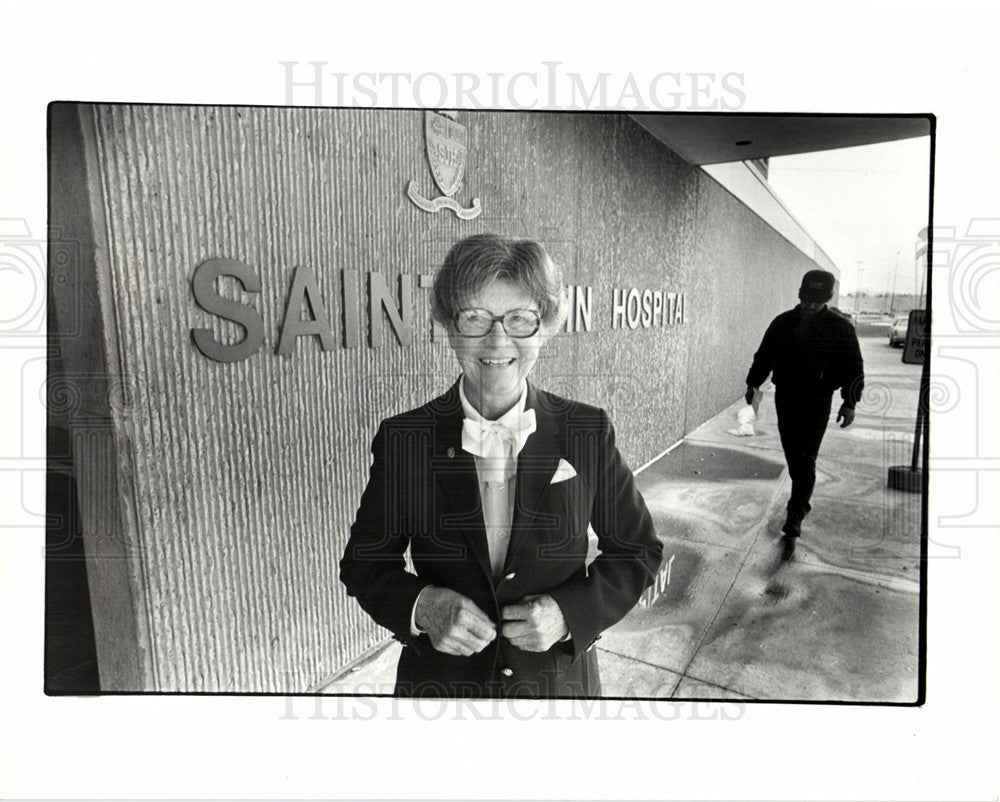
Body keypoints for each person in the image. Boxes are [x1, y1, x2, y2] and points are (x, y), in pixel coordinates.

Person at [340, 234, 663, 698]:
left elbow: (638, 550)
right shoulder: (403, 439)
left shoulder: (587, 431)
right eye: (475, 317)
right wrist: (422, 606)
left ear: (546, 326)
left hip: (555, 691)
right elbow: (364, 563)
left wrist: (569, 615)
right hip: (441, 692)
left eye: (520, 318)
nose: (497, 339)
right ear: (448, 327)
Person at [744, 269, 864, 546]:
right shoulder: (783, 323)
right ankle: (800, 503)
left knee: (806, 458)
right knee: (794, 455)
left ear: (828, 298)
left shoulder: (840, 327)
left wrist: (850, 402)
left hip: (819, 399)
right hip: (786, 397)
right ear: (800, 295)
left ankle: (796, 512)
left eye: (818, 301)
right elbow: (764, 356)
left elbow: (853, 367)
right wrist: (753, 385)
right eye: (808, 299)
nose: (811, 305)